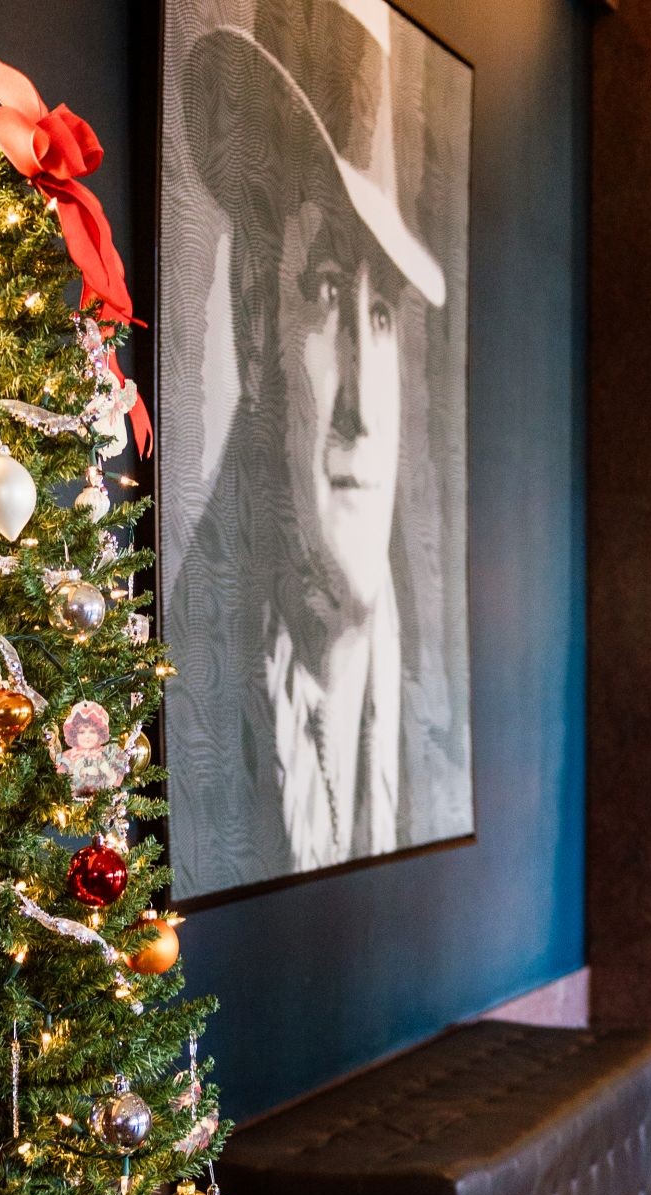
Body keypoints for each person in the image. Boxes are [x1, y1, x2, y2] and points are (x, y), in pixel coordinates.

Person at [169, 0, 453, 883]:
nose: (362, 410)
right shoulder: (187, 683)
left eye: (380, 311)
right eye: (328, 295)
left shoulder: (429, 733)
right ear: (257, 324)